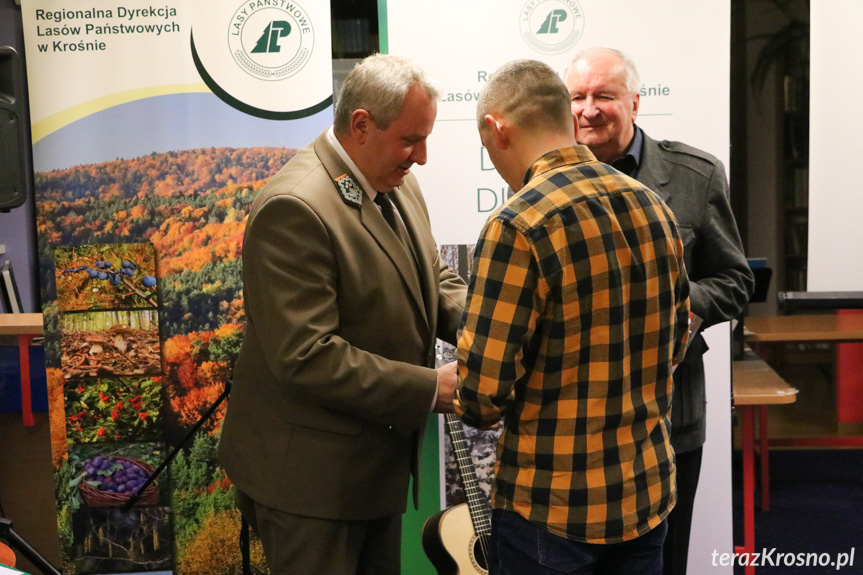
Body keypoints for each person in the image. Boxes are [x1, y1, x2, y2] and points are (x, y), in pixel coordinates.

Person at [218, 53, 467, 574]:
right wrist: (430, 388)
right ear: (360, 125)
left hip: (370, 475)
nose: (421, 156)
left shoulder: (396, 180)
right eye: (410, 139)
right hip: (312, 487)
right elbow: (307, 356)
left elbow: (432, 279)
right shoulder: (296, 208)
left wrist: (495, 327)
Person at [454, 59, 691, 575]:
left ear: (497, 129)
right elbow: (676, 344)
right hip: (646, 494)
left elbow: (481, 396)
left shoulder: (517, 223)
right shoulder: (654, 206)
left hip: (551, 507)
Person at [565, 47, 755, 575]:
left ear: (634, 102)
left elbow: (736, 281)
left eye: (604, 95)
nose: (588, 109)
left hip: (669, 420)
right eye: (577, 97)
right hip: (575, 427)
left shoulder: (695, 175)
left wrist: (673, 305)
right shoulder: (547, 179)